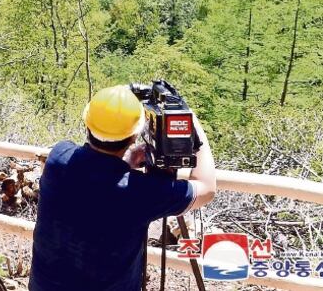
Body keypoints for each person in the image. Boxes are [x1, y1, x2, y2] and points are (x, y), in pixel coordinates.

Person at [29, 85, 217, 291]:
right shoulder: (141, 192)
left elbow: (96, 185)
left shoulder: (58, 157)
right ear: (135, 135)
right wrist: (194, 130)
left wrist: (124, 164)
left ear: (88, 125)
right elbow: (207, 189)